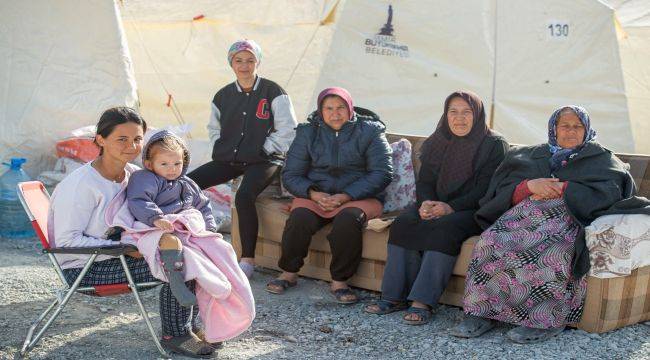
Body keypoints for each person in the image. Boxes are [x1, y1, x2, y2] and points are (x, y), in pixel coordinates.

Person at [451, 105, 650, 343]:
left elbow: (613, 191)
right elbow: (500, 188)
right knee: (490, 242)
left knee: (552, 253)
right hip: (524, 212)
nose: (571, 131)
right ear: (553, 128)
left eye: (578, 126)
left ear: (587, 129)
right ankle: (481, 314)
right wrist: (528, 186)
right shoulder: (530, 154)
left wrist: (567, 189)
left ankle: (544, 321)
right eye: (564, 125)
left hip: (568, 216)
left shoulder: (602, 159)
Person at [49, 107, 218, 358]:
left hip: (121, 253)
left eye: (137, 139)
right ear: (100, 139)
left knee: (193, 253)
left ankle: (191, 328)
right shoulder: (81, 185)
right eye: (122, 139)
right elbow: (66, 242)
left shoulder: (131, 175)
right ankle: (177, 335)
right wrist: (132, 249)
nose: (131, 146)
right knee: (182, 263)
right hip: (86, 266)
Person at [363, 91, 508, 325]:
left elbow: (485, 189)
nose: (459, 118)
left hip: (472, 209)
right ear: (446, 114)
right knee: (404, 223)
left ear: (477, 114)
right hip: (434, 203)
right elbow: (426, 181)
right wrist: (426, 204)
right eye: (453, 112)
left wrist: (450, 208)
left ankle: (423, 301)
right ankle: (394, 296)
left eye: (466, 112)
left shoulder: (493, 145)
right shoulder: (437, 140)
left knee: (444, 228)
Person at [266, 87, 393, 304]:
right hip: (317, 193)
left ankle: (340, 281)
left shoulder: (370, 131)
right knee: (299, 219)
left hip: (358, 195)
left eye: (341, 108)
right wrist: (313, 194)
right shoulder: (308, 132)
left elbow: (382, 173)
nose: (335, 113)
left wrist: (346, 196)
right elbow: (292, 174)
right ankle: (289, 272)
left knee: (347, 221)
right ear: (321, 111)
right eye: (329, 108)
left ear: (350, 109)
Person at [187, 39, 298, 278]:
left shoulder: (274, 92)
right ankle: (189, 242)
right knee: (187, 184)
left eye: (250, 60)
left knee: (245, 195)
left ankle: (247, 259)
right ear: (231, 63)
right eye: (239, 60)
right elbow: (213, 128)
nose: (244, 66)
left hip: (265, 159)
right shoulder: (223, 96)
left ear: (258, 62)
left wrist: (264, 148)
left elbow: (288, 128)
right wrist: (221, 146)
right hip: (231, 157)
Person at [125, 130, 217, 307]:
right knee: (172, 242)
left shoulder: (188, 183)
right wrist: (155, 217)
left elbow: (203, 204)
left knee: (216, 246)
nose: (172, 169)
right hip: (156, 224)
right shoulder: (145, 178)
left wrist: (209, 228)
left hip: (184, 226)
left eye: (177, 163)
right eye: (164, 164)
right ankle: (175, 279)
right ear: (149, 164)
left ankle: (220, 278)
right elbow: (138, 199)